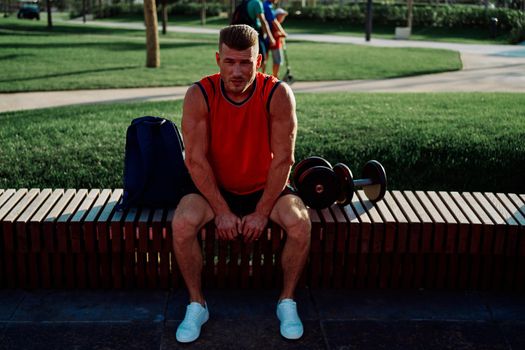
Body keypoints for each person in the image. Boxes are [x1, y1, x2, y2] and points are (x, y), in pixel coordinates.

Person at [171, 24, 311, 343]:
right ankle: (197, 303)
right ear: (218, 59)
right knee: (182, 223)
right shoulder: (199, 95)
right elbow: (194, 160)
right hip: (213, 191)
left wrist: (262, 212)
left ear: (259, 61)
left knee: (301, 223)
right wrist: (221, 210)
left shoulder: (276, 93)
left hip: (265, 188)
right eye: (230, 62)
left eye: (245, 62)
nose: (237, 70)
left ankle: (286, 301)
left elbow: (283, 160)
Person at [245, 0, 275, 73]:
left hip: (243, 34)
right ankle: (259, 80)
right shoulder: (257, 3)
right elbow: (263, 21)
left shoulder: (245, 2)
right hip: (254, 34)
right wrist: (270, 37)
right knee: (262, 59)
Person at [263, 1, 288, 77]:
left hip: (275, 44)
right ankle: (275, 76)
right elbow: (276, 34)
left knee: (267, 59)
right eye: (281, 15)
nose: (283, 17)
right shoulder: (274, 23)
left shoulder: (267, 6)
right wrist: (282, 34)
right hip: (275, 44)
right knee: (276, 61)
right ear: (277, 16)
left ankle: (272, 76)